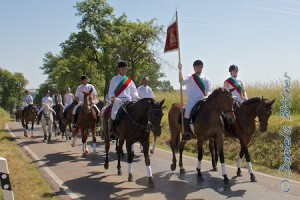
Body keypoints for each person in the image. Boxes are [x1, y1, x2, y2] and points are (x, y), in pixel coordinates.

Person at [179, 60, 212, 140]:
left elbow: (209, 90)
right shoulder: (189, 77)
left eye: (200, 67)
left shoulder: (206, 79)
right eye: (196, 67)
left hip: (203, 99)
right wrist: (180, 70)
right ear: (194, 68)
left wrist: (207, 95)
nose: (198, 68)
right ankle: (186, 132)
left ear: (202, 67)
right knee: (187, 112)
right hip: (192, 100)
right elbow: (181, 82)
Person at [108, 60, 139, 140]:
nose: (125, 70)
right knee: (113, 115)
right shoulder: (114, 79)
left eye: (126, 68)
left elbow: (134, 91)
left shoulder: (129, 81)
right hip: (118, 101)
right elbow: (111, 92)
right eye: (123, 68)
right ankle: (112, 131)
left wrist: (136, 97)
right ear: (120, 69)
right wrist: (115, 98)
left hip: (129, 101)